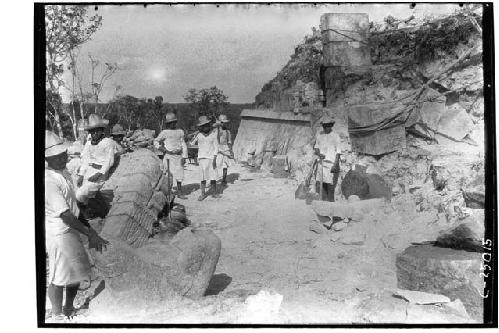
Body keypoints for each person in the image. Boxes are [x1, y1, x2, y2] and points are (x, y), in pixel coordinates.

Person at [45, 130, 109, 322]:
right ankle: (56, 314)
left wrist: (90, 229)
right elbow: (65, 214)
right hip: (59, 233)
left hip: (72, 230)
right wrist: (90, 234)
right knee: (59, 276)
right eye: (58, 156)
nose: (63, 158)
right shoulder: (49, 181)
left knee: (76, 271)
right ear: (48, 158)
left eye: (64, 154)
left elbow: (74, 208)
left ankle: (69, 308)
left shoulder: (64, 173)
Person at [76, 114, 116, 205]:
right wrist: (81, 175)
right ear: (89, 132)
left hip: (100, 173)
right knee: (75, 188)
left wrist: (99, 173)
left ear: (102, 130)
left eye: (97, 131)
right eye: (92, 131)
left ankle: (90, 208)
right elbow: (86, 159)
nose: (95, 133)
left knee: (80, 194)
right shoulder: (89, 143)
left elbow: (109, 161)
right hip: (88, 171)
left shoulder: (107, 142)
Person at [154, 113, 189, 199]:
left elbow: (183, 144)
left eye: (174, 122)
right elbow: (156, 141)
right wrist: (161, 148)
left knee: (179, 175)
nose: (172, 124)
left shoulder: (180, 132)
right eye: (170, 123)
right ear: (167, 124)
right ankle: (168, 193)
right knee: (168, 175)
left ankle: (180, 192)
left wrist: (184, 157)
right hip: (169, 156)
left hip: (178, 156)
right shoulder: (164, 132)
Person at [189, 115, 220, 201]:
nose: (205, 127)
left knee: (213, 177)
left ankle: (214, 193)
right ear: (201, 127)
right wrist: (192, 135)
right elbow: (191, 143)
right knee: (202, 178)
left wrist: (214, 159)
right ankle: (203, 193)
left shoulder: (213, 135)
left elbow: (216, 147)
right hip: (202, 159)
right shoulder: (199, 135)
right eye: (203, 126)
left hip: (211, 159)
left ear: (209, 125)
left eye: (207, 125)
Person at [313, 114, 342, 202]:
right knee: (320, 183)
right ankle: (322, 202)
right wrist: (319, 154)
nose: (326, 128)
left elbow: (338, 152)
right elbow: (316, 147)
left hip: (330, 164)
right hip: (321, 162)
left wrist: (335, 164)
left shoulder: (335, 136)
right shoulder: (319, 135)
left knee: (330, 184)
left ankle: (330, 203)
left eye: (328, 126)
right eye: (324, 126)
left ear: (331, 126)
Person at [214, 114, 234, 186]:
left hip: (225, 148)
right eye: (222, 122)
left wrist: (231, 151)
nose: (223, 124)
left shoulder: (227, 131)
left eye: (224, 123)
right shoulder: (215, 130)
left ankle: (224, 180)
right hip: (217, 148)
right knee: (215, 164)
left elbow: (229, 141)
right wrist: (217, 126)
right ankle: (214, 179)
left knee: (225, 165)